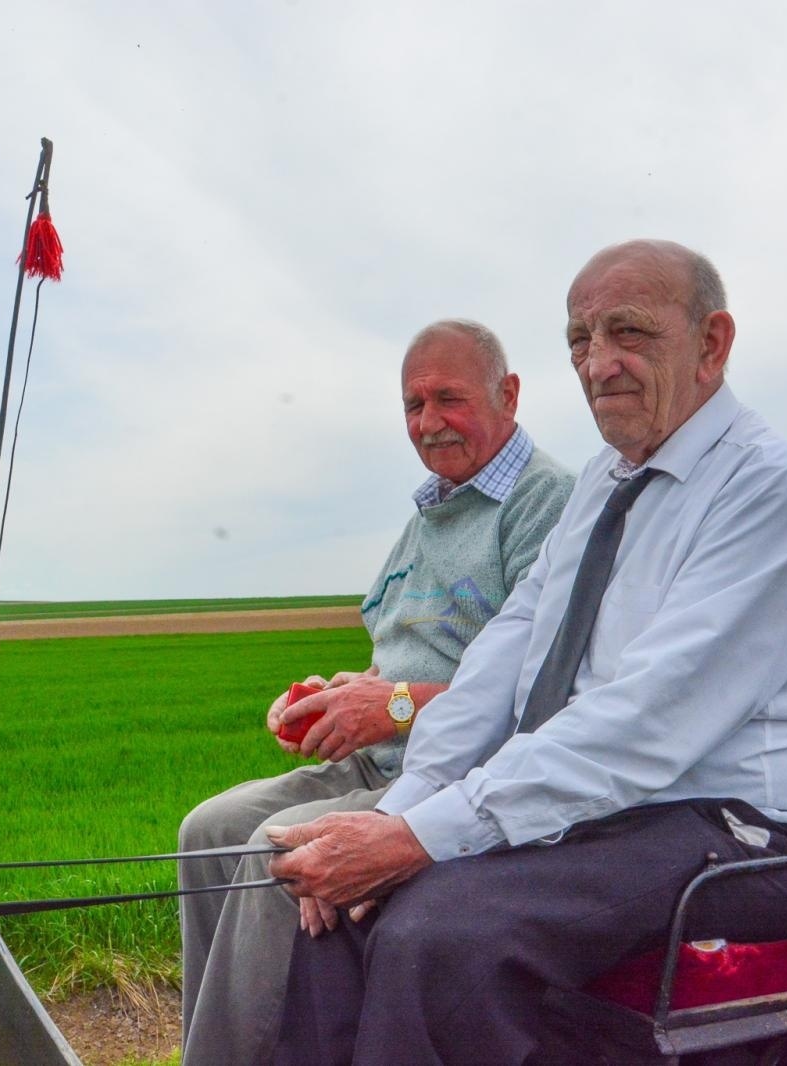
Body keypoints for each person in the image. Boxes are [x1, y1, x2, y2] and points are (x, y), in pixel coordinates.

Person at [264, 239, 787, 1064]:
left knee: (437, 935)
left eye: (629, 332)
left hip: (759, 832)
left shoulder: (768, 489)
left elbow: (645, 720)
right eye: (581, 340)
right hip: (621, 812)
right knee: (341, 911)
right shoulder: (601, 484)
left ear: (712, 343)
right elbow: (502, 663)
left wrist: (418, 839)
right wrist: (396, 814)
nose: (598, 363)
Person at [178, 319, 575, 1065]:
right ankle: (212, 1048)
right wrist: (336, 695)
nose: (429, 422)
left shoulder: (544, 504)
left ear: (510, 394)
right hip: (381, 759)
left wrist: (390, 706)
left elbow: (536, 692)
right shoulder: (431, 510)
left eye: (450, 399)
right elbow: (400, 654)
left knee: (275, 852)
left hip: (462, 771)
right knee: (207, 829)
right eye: (413, 405)